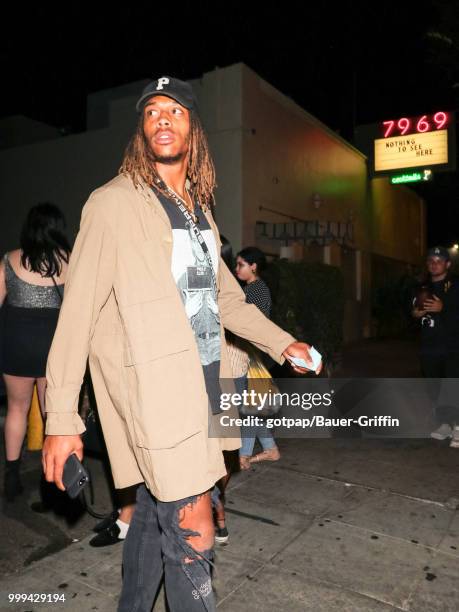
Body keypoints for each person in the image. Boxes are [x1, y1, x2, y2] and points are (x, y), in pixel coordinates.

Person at [42, 76, 321, 612]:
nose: (163, 119)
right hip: (158, 396)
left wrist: (284, 343)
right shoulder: (113, 204)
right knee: (195, 536)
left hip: (206, 387)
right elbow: (76, 313)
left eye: (176, 111)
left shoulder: (198, 212)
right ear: (141, 130)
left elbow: (228, 300)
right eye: (152, 112)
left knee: (151, 514)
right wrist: (60, 419)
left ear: (194, 129)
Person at [0, 203, 70, 502]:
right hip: (53, 351)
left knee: (17, 408)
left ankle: (12, 475)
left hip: (16, 347)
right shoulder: (70, 261)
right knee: (51, 415)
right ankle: (51, 482)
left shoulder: (9, 261)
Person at [234, 247, 281, 468]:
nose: (236, 269)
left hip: (252, 355)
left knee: (249, 407)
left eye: (241, 264)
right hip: (249, 353)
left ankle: (244, 454)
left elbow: (255, 326)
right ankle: (270, 449)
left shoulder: (257, 290)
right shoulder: (251, 288)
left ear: (253, 266)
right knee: (250, 406)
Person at [412, 246, 459, 446]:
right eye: (431, 260)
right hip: (429, 348)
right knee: (434, 388)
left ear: (447, 264)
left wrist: (443, 308)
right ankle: (445, 424)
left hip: (452, 347)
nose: (434, 263)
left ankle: (457, 426)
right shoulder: (423, 287)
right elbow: (413, 312)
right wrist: (416, 314)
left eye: (439, 260)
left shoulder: (455, 286)